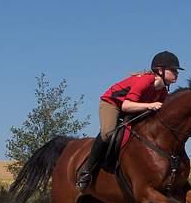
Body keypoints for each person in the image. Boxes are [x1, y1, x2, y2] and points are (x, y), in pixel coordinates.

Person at [76, 50, 184, 191]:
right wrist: (150, 105)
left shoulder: (162, 91)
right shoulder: (145, 81)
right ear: (160, 70)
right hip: (112, 103)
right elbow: (126, 106)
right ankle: (87, 170)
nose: (177, 73)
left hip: (134, 106)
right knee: (108, 133)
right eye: (173, 70)